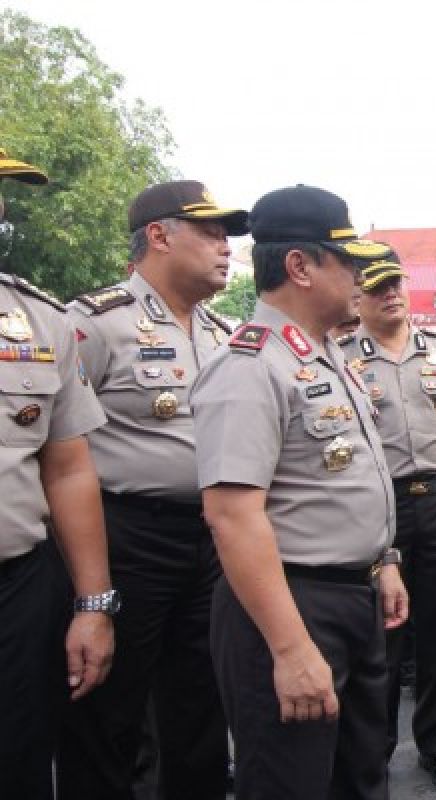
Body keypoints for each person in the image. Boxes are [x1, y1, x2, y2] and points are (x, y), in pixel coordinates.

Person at [190, 185, 409, 799]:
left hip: (351, 597)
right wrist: (290, 650)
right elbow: (232, 518)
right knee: (292, 784)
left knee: (360, 779)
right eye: (349, 261)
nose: (363, 276)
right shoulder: (250, 365)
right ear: (300, 266)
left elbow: (341, 479)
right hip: (290, 608)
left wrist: (382, 561)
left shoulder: (320, 354)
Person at [58, 179, 246, 800]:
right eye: (211, 231)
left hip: (211, 541)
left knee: (200, 709)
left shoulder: (223, 333)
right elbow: (52, 445)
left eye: (228, 235)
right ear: (159, 236)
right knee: (110, 712)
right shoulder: (96, 324)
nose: (226, 247)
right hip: (126, 539)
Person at [340, 249, 436, 792]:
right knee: (383, 633)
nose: (390, 294)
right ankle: (375, 748)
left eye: (395, 283)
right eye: (376, 288)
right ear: (358, 298)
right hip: (379, 504)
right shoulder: (341, 355)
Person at [0, 146, 114, 800]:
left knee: (19, 764)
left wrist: (93, 606)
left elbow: (69, 469)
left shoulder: (37, 322)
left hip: (16, 592)